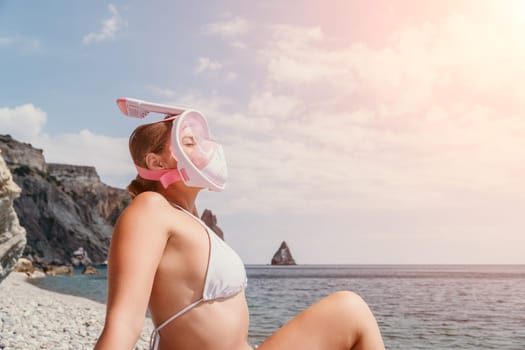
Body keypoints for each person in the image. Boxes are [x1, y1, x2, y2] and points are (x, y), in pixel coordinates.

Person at [95, 100, 385, 350]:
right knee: (350, 308)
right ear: (156, 163)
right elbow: (124, 323)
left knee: (350, 311)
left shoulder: (192, 221)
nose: (204, 150)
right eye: (188, 143)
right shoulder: (150, 209)